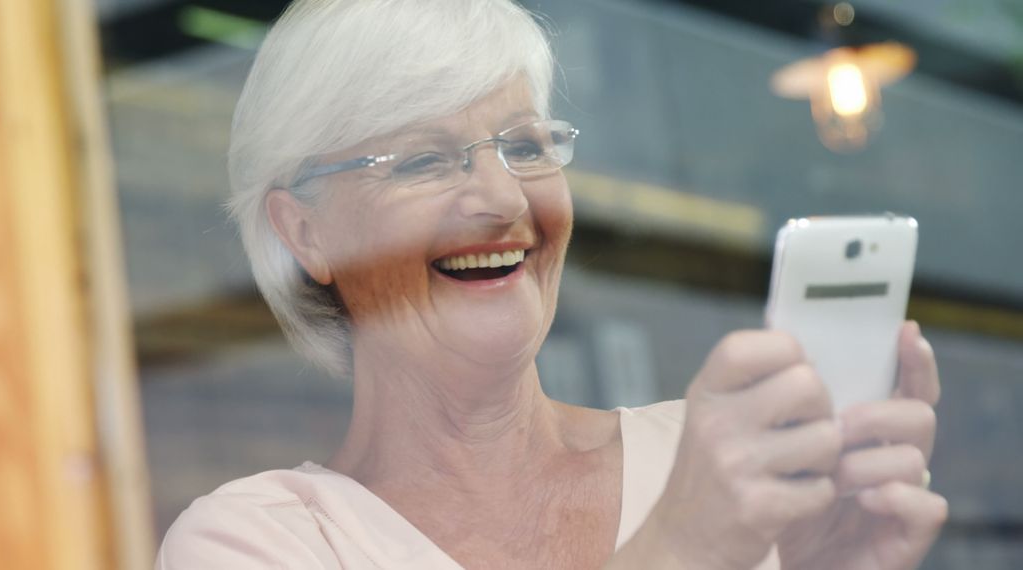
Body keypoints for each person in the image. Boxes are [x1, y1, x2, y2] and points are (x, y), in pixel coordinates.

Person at [156, 0, 947, 568]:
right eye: (426, 160)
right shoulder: (259, 543)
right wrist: (685, 548)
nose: (504, 200)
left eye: (526, 147)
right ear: (305, 233)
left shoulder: (711, 461)